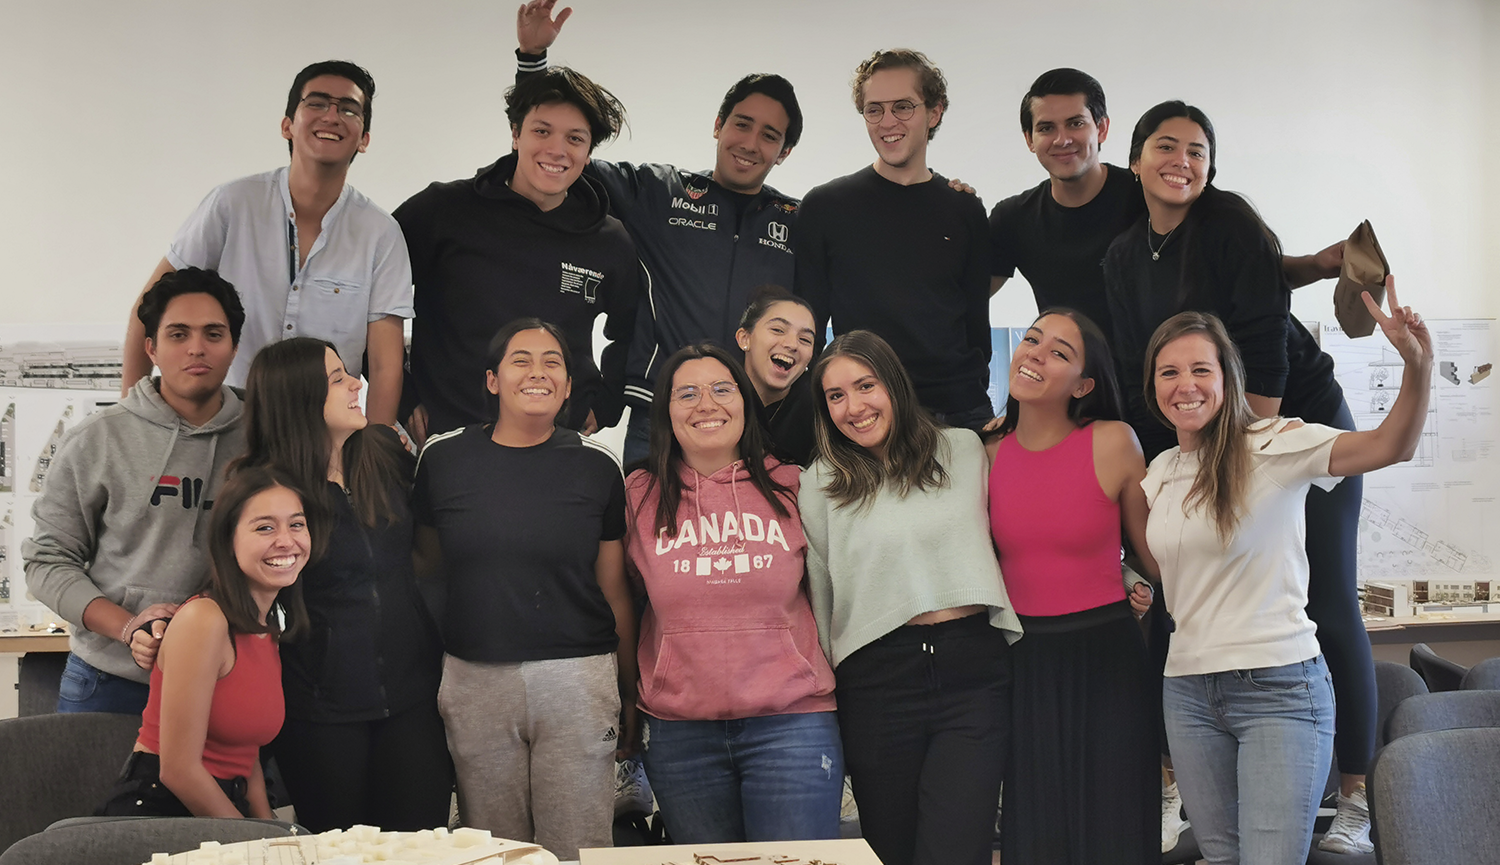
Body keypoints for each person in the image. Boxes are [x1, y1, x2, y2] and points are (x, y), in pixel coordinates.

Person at [1102, 100, 1380, 854]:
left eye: (1198, 150)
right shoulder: (1124, 254)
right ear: (1135, 159)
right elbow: (1137, 368)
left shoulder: (1231, 223)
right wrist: (1166, 468)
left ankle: (1357, 797)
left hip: (1288, 415)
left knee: (1328, 597)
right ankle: (1181, 783)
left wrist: (1240, 454)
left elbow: (1264, 348)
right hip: (1200, 430)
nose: (1182, 161)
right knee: (1175, 598)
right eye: (1167, 146)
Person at [1141, 289, 1430, 864]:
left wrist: (1417, 367)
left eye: (1201, 369)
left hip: (1278, 687)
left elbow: (1391, 445)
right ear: (1153, 388)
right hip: (1188, 690)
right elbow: (1167, 567)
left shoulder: (1274, 443)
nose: (1185, 385)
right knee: (1220, 858)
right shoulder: (1161, 471)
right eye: (1168, 372)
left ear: (1228, 379)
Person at [515, 1, 803, 463]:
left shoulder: (798, 221)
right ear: (718, 125)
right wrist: (533, 63)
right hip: (662, 417)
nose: (750, 143)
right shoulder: (658, 193)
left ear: (784, 152)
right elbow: (557, 156)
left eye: (770, 135)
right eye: (742, 124)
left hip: (760, 420)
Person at [412, 318, 638, 860]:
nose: (538, 372)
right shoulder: (442, 459)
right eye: (521, 360)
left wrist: (630, 691)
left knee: (579, 848)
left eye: (552, 362)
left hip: (577, 678)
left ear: (567, 386)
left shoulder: (598, 465)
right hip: (475, 677)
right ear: (492, 380)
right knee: (494, 848)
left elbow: (613, 590)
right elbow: (427, 567)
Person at [799, 330, 1021, 865]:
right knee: (890, 848)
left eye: (865, 385)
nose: (854, 407)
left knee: (957, 847)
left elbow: (1024, 534)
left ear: (893, 383)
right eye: (835, 396)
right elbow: (820, 592)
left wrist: (1123, 569)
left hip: (972, 671)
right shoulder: (819, 482)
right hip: (875, 679)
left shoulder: (964, 449)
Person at [230, 338, 450, 832]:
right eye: (337, 379)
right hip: (319, 711)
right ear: (300, 399)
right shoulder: (264, 491)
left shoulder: (384, 452)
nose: (356, 384)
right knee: (336, 852)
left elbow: (426, 554)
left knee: (422, 847)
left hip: (414, 699)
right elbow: (237, 596)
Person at [623, 342, 839, 843]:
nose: (707, 404)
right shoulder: (638, 494)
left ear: (745, 402)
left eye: (722, 389)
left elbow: (829, 592)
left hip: (791, 725)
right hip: (679, 732)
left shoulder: (795, 486)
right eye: (687, 394)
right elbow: (625, 600)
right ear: (666, 411)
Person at [121, 62, 410, 426]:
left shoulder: (381, 234)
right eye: (317, 103)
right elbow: (148, 310)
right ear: (287, 125)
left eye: (349, 110)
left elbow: (385, 367)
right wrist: (130, 421)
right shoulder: (233, 204)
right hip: (225, 427)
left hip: (322, 433)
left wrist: (374, 447)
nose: (332, 117)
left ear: (364, 138)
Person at [25, 268, 247, 714]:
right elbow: (47, 562)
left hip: (228, 675)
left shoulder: (265, 436)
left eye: (213, 334)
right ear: (152, 348)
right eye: (178, 334)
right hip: (111, 681)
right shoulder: (97, 439)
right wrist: (129, 628)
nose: (196, 348)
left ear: (234, 347)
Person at [984, 309, 1159, 864]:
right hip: (1022, 657)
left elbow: (1154, 556)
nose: (1035, 354)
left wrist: (1134, 581)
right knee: (1037, 832)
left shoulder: (1114, 441)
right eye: (1032, 340)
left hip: (1107, 657)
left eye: (1059, 352)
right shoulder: (985, 452)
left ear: (1083, 385)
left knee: (1114, 829)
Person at [395, 61, 639, 444]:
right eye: (542, 131)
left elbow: (634, 331)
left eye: (575, 138)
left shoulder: (609, 240)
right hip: (446, 440)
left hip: (555, 445)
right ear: (515, 134)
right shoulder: (442, 211)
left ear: (589, 151)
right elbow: (368, 298)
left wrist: (606, 403)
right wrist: (402, 396)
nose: (557, 150)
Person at [96, 465, 313, 818]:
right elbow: (178, 771)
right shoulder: (204, 619)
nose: (287, 541)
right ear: (228, 539)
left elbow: (245, 757)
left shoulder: (267, 625)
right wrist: (252, 840)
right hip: (163, 811)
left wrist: (271, 831)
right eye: (265, 527)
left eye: (297, 524)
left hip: (224, 808)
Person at [795, 50, 992, 431]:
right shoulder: (824, 207)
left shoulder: (965, 208)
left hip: (957, 411)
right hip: (865, 412)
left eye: (903, 106)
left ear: (934, 113)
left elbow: (976, 326)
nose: (887, 122)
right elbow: (810, 328)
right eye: (875, 110)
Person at [734, 287, 819, 465]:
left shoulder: (820, 409)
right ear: (744, 338)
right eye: (778, 330)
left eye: (805, 339)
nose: (792, 344)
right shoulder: (714, 396)